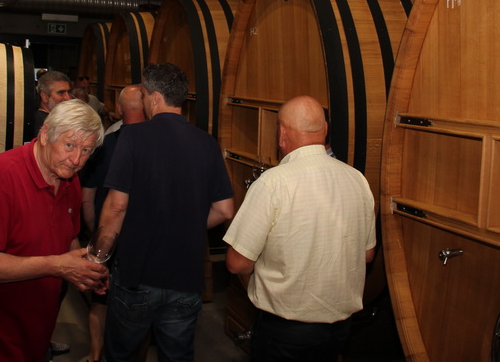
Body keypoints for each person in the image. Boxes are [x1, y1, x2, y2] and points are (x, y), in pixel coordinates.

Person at [98, 63, 235, 362]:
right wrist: (186, 225)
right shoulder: (207, 143)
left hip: (137, 275)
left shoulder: (133, 137)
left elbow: (117, 206)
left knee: (120, 355)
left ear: (155, 97)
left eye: (145, 95)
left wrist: (99, 258)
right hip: (185, 278)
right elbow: (225, 210)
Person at [223, 95, 377, 362]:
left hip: (284, 331)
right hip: (340, 330)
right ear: (324, 130)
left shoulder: (272, 183)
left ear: (282, 134)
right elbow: (367, 254)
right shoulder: (357, 180)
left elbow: (237, 263)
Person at [0, 99, 107, 362]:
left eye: (86, 150)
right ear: (45, 135)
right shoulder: (0, 176)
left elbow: (68, 237)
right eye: (69, 145)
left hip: (40, 329)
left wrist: (84, 269)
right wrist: (59, 266)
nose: (76, 160)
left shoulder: (69, 179)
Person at [79, 84, 145, 362]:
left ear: (118, 109)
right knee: (140, 307)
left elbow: (87, 197)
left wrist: (95, 233)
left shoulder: (105, 145)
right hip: (141, 241)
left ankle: (95, 356)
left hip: (106, 237)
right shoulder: (155, 146)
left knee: (100, 299)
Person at [35, 70, 72, 136]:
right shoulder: (43, 124)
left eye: (68, 92)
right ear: (45, 96)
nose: (68, 97)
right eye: (61, 92)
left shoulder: (59, 119)